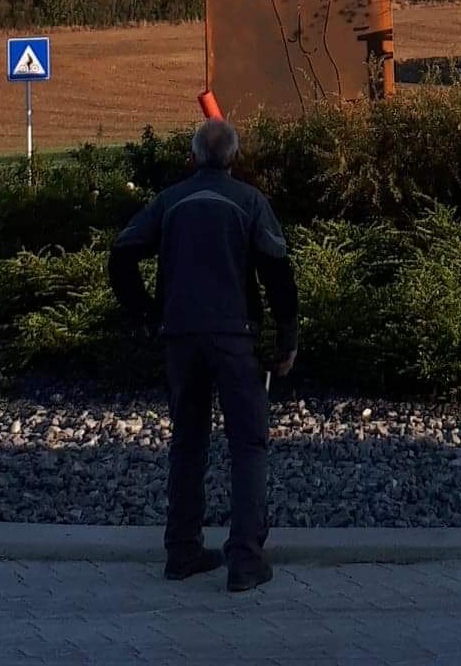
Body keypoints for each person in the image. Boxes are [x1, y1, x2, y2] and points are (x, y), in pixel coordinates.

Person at [108, 118, 298, 593]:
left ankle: (182, 551)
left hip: (180, 337)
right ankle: (246, 559)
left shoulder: (170, 202)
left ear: (193, 157)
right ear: (233, 158)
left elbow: (122, 254)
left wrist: (146, 312)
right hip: (236, 338)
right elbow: (278, 271)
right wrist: (288, 337)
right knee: (247, 445)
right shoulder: (250, 202)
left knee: (187, 443)